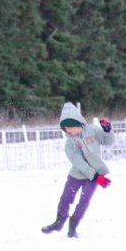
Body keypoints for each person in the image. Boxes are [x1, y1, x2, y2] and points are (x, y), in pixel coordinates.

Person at [41, 102, 115, 239]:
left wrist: (107, 130)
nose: (68, 132)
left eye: (70, 128)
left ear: (78, 123)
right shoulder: (70, 144)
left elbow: (108, 141)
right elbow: (79, 163)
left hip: (95, 174)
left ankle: (73, 227)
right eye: (66, 129)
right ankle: (58, 222)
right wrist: (96, 177)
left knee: (84, 201)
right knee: (66, 198)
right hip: (77, 175)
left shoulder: (93, 130)